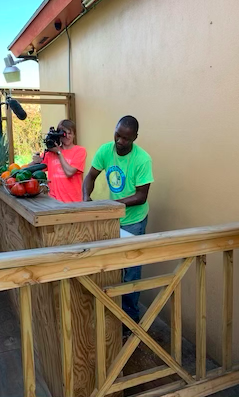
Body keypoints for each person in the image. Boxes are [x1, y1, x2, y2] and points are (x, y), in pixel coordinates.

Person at [83, 115, 154, 325]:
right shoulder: (105, 150)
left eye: (126, 139)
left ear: (135, 138)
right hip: (113, 219)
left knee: (131, 272)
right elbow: (90, 177)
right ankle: (112, 315)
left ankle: (130, 322)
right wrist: (86, 198)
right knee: (111, 267)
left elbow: (142, 196)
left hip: (134, 221)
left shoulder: (143, 160)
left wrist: (112, 206)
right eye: (118, 135)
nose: (120, 142)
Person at [31, 119, 86, 202]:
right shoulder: (51, 153)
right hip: (54, 202)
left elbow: (69, 172)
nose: (67, 136)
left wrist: (59, 153)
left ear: (74, 134)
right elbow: (32, 170)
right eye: (64, 134)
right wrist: (35, 160)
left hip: (74, 202)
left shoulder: (80, 151)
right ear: (59, 135)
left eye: (70, 133)